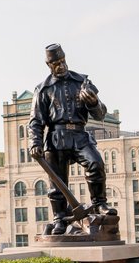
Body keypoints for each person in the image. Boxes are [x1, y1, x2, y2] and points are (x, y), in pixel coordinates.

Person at [28, 44, 110, 234]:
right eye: (56, 63)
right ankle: (60, 218)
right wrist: (35, 142)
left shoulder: (82, 82)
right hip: (56, 137)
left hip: (80, 135)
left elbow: (100, 114)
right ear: (48, 64)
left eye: (62, 61)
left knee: (95, 163)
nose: (61, 66)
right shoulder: (43, 89)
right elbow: (35, 121)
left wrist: (94, 102)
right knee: (57, 181)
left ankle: (99, 203)